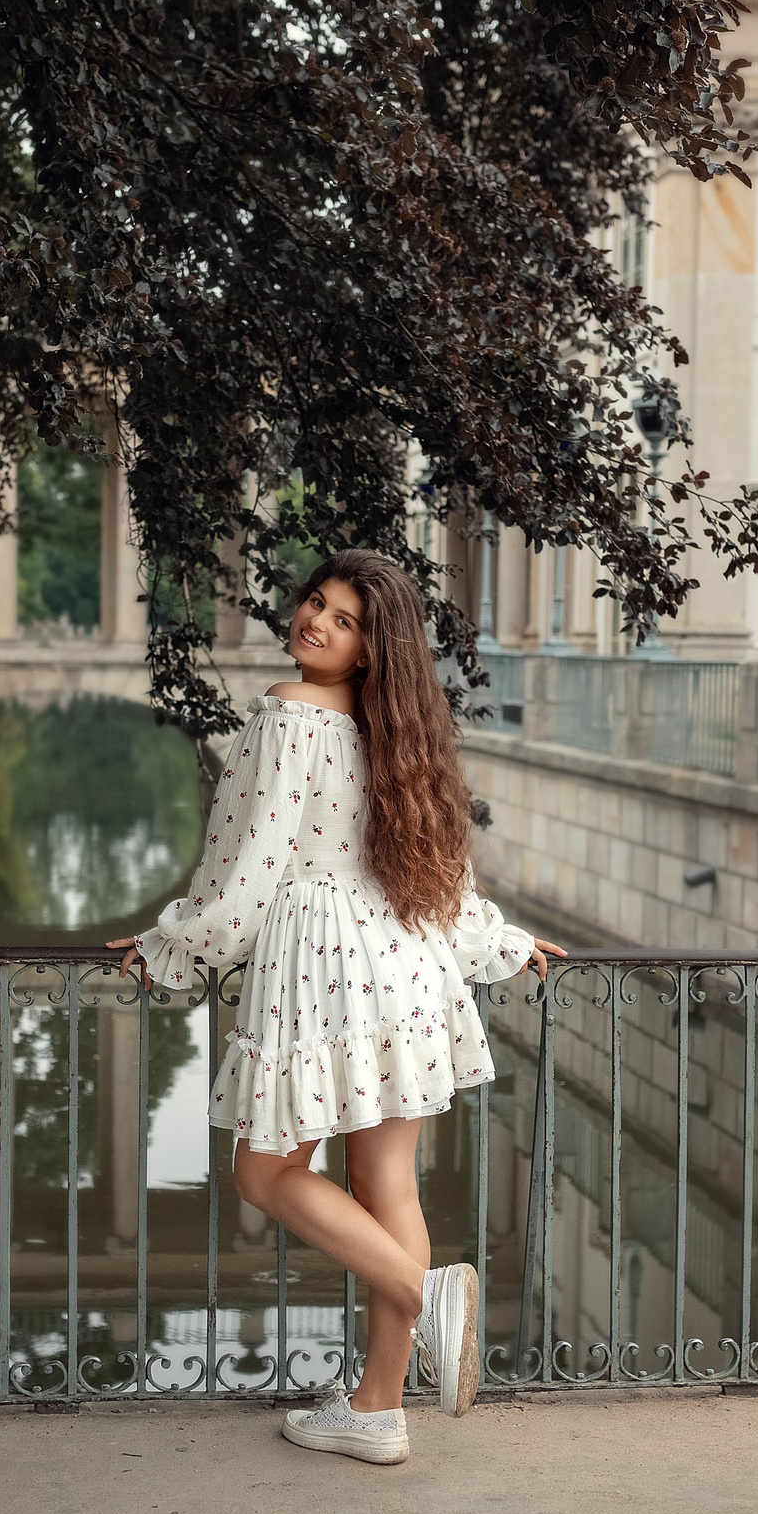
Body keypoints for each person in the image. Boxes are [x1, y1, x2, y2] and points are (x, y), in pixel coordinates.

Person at [109, 548, 562, 1466]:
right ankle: (377, 1409)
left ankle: (423, 1292)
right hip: (408, 958)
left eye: (344, 618)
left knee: (264, 1174)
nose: (315, 620)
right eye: (316, 601)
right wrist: (497, 941)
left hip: (322, 961)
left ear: (369, 645)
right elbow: (443, 868)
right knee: (387, 1184)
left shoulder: (287, 713)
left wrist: (173, 943)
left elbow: (246, 864)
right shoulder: (403, 727)